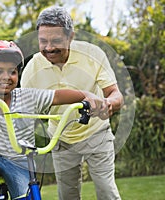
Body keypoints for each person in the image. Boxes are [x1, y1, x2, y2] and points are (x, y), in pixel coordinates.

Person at [0, 40, 108, 200]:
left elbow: (58, 95)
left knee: (29, 195)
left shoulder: (28, 96)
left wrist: (87, 96)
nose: (6, 77)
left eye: (12, 71)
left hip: (19, 162)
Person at [20, 6, 124, 200]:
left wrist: (107, 104)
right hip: (61, 138)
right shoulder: (32, 68)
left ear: (70, 37)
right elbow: (22, 109)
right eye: (43, 41)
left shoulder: (92, 54)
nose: (49, 48)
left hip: (96, 132)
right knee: (67, 195)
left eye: (56, 41)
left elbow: (115, 94)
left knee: (106, 191)